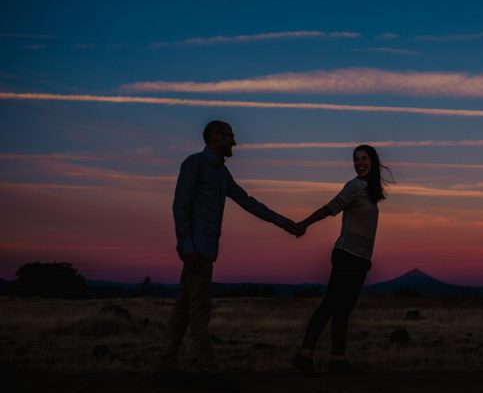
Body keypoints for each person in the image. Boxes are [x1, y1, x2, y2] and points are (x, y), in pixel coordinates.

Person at [157, 120, 299, 371]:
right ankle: (207, 366)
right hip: (197, 251)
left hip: (204, 250)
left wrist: (283, 222)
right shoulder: (194, 164)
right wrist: (187, 246)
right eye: (230, 136)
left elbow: (247, 201)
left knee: (184, 307)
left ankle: (166, 362)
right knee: (200, 308)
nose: (234, 142)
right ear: (215, 136)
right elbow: (180, 207)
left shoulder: (222, 173)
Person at [292, 144, 390, 375]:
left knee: (344, 309)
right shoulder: (354, 186)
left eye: (363, 158)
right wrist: (305, 224)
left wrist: (366, 257)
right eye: (356, 159)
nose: (359, 163)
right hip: (346, 254)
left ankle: (338, 360)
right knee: (330, 305)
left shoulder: (369, 190)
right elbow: (330, 208)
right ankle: (304, 355)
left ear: (373, 161)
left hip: (359, 258)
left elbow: (366, 227)